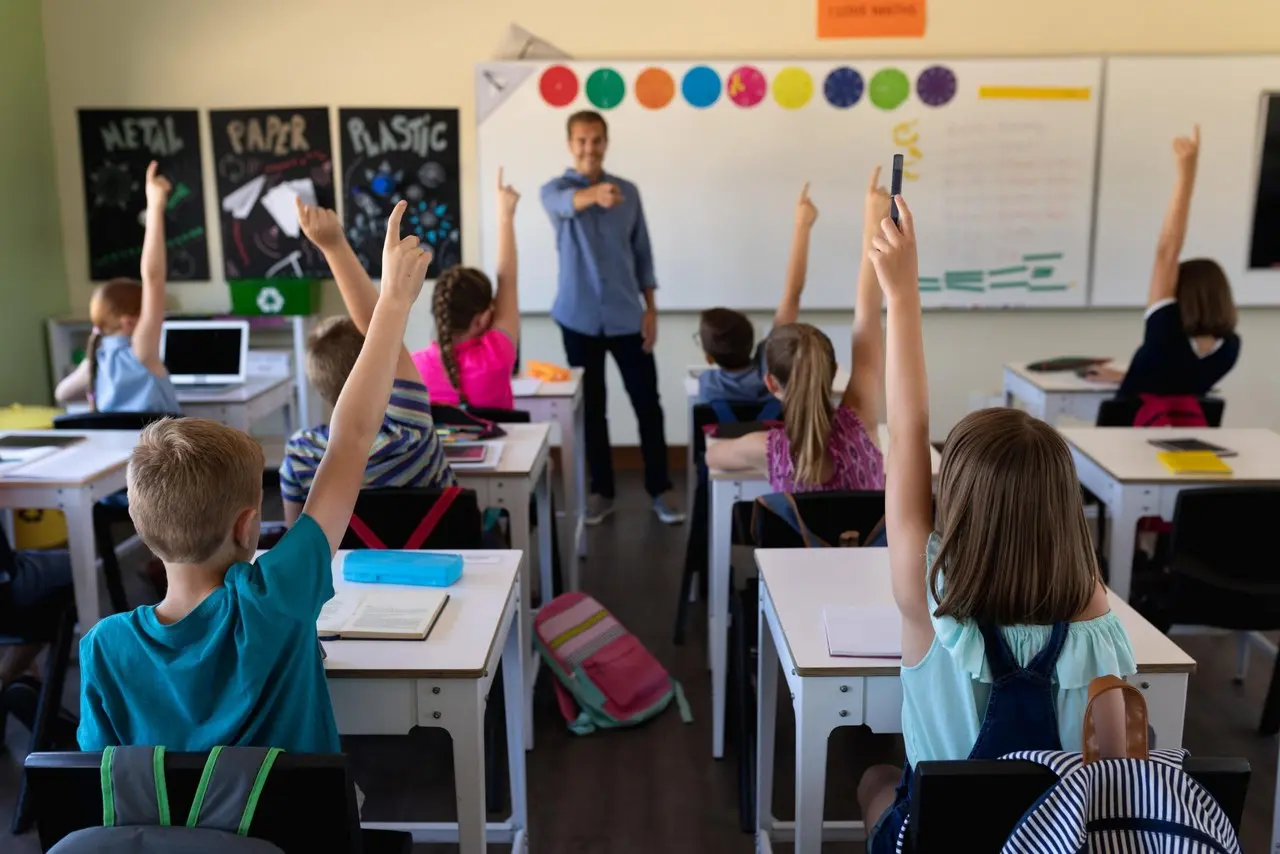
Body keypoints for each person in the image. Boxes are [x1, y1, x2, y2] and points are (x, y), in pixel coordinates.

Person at [76, 205, 435, 753]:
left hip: (166, 840)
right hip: (289, 831)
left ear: (141, 522)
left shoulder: (103, 647)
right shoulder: (277, 599)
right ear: (248, 527)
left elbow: (101, 777)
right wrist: (392, 304)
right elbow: (351, 439)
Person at [858, 193, 1135, 854]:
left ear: (954, 500)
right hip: (1057, 845)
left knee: (873, 779)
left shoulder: (927, 601)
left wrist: (902, 294)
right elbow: (1115, 782)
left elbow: (906, 437)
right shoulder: (1101, 629)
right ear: (1063, 509)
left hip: (941, 843)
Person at [540, 110, 683, 525]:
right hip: (577, 318)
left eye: (597, 140)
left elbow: (643, 253)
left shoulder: (629, 193)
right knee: (592, 410)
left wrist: (651, 308)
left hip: (626, 316)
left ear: (606, 142)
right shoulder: (555, 189)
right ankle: (602, 492)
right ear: (570, 144)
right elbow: (564, 204)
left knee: (648, 405)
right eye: (582, 140)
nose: (589, 148)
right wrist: (594, 196)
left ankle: (661, 489)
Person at [705, 170, 888, 493]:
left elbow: (713, 458)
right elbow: (869, 316)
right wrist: (875, 224)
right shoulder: (861, 424)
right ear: (832, 372)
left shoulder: (767, 449)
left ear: (771, 382)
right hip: (874, 546)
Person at [278, 199, 455, 526]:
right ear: (383, 361)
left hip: (343, 578)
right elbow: (377, 322)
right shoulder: (410, 427)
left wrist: (331, 246)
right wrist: (335, 245)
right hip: (436, 573)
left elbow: (294, 537)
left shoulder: (301, 455)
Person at [1086, 125, 1240, 396]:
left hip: (1126, 432)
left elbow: (1167, 249)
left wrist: (1186, 174)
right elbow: (1173, 383)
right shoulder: (1229, 347)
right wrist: (1127, 376)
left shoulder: (1165, 332)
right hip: (1185, 434)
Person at [55, 161, 180, 413]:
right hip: (157, 451)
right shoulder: (141, 352)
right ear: (128, 322)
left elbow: (62, 394)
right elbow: (153, 277)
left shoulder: (97, 359)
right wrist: (155, 206)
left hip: (119, 450)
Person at [694, 183, 820, 407]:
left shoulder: (708, 384)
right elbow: (793, 294)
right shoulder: (771, 369)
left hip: (726, 443)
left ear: (708, 359)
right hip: (773, 442)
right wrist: (803, 226)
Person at [412, 169, 522, 409]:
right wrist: (505, 215)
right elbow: (508, 280)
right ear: (482, 319)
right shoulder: (496, 357)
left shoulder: (413, 368)